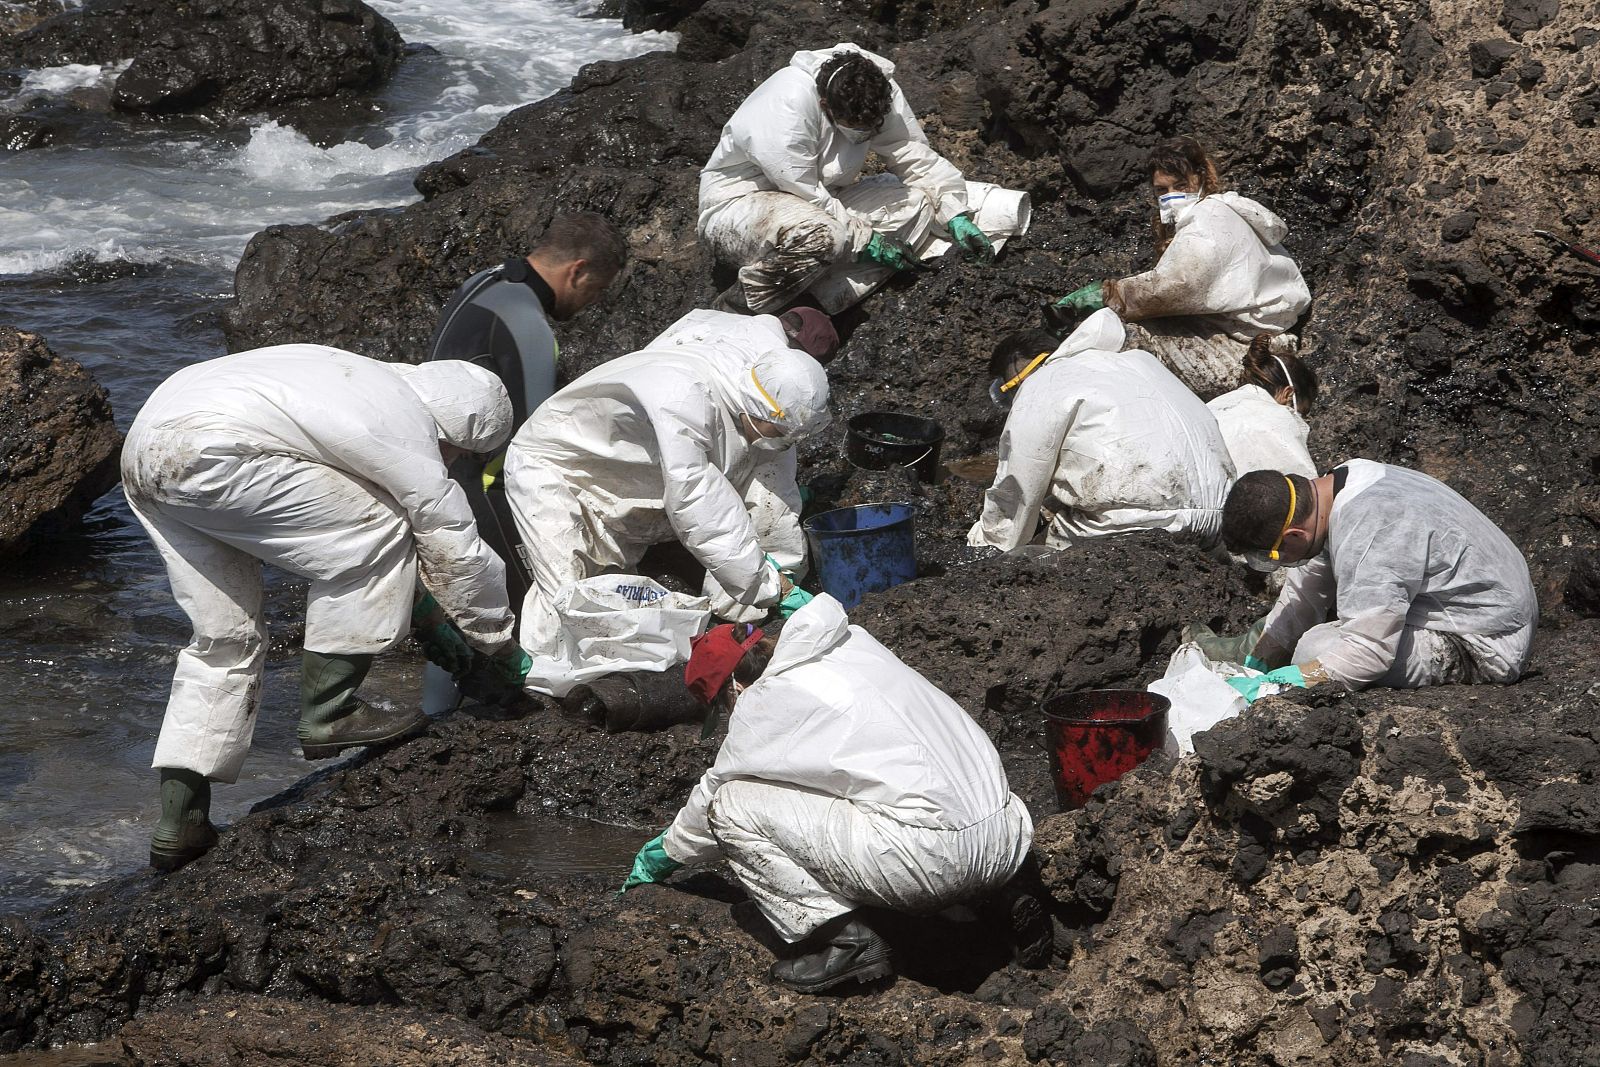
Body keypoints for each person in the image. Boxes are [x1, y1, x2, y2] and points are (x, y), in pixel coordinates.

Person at [122, 345, 531, 871]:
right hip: (219, 450)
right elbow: (451, 543)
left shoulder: (353, 378)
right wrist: (495, 640)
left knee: (224, 639)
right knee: (380, 530)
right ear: (454, 431)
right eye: (458, 452)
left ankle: (180, 824)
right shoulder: (404, 418)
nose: (450, 462)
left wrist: (449, 645)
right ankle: (330, 713)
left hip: (147, 452)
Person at [621, 596, 1037, 994]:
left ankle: (848, 943)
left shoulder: (764, 703)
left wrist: (662, 855)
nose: (730, 716)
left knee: (729, 805)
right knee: (892, 787)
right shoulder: (854, 644)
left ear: (733, 686)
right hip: (1008, 837)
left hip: (931, 862)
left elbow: (711, 796)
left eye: (722, 706)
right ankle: (999, 902)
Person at [501, 337, 831, 694]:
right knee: (567, 591)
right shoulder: (685, 400)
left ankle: (606, 683)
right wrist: (771, 587)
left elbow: (759, 488)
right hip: (556, 467)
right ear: (758, 407)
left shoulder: (755, 371)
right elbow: (698, 502)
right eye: (781, 433)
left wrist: (775, 575)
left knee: (613, 594)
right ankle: (543, 688)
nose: (783, 442)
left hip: (617, 475)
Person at [699, 43, 1008, 316]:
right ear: (825, 106)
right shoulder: (787, 106)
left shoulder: (875, 88)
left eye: (874, 125)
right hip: (740, 208)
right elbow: (804, 192)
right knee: (825, 236)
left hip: (819, 204)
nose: (868, 134)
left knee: (917, 204)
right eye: (858, 127)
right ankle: (738, 308)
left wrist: (954, 213)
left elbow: (907, 148)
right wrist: (866, 240)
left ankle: (810, 297)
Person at [1218, 463, 1538, 701]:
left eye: (1271, 557)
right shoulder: (1335, 489)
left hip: (1486, 643)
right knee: (1320, 632)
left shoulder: (1370, 525)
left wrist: (1281, 685)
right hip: (1475, 611)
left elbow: (1369, 652)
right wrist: (1258, 663)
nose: (1278, 564)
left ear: (1295, 535)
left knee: (1313, 649)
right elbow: (1304, 594)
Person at [1053, 137, 1311, 399]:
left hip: (1246, 353)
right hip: (1256, 340)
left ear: (1200, 178)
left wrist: (1109, 294)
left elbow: (1179, 284)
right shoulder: (1217, 213)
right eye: (1161, 190)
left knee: (1123, 338)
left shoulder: (1209, 217)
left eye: (1180, 185)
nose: (1170, 196)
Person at [967, 309, 1236, 553]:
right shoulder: (1140, 362)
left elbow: (1018, 485)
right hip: (1218, 520)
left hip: (1138, 525)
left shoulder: (1041, 384)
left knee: (1033, 559)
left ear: (1017, 375)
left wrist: (985, 545)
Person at [1206, 335, 1319, 479]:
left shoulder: (1219, 404)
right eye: (1302, 412)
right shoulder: (1276, 419)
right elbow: (1303, 488)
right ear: (1288, 394)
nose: (1300, 418)